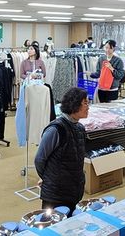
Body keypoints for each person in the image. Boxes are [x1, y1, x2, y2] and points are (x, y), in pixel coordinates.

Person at [35, 87, 88, 216]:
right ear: (74, 105)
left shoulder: (80, 128)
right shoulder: (56, 129)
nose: (88, 107)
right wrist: (47, 178)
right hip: (55, 194)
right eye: (85, 103)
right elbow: (40, 159)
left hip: (73, 190)